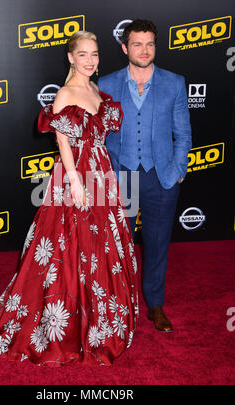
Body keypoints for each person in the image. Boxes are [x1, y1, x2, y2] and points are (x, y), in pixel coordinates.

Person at [0, 31, 138, 366]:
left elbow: (99, 139)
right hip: (76, 176)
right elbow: (62, 142)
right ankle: (66, 324)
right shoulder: (65, 94)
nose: (90, 60)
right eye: (83, 54)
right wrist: (74, 182)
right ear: (71, 57)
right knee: (66, 247)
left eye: (95, 54)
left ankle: (100, 321)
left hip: (103, 174)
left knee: (101, 248)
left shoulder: (96, 91)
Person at [98, 19, 192, 332]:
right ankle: (120, 306)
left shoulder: (174, 82)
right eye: (137, 44)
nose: (144, 49)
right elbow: (100, 134)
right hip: (121, 174)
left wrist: (177, 171)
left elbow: (183, 132)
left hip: (161, 178)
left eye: (150, 43)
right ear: (125, 47)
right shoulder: (107, 84)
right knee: (118, 246)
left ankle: (155, 305)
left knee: (157, 244)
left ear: (155, 46)